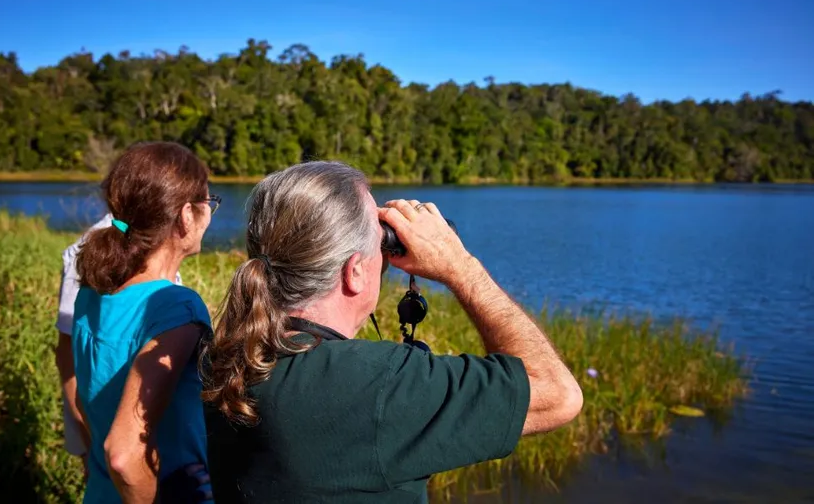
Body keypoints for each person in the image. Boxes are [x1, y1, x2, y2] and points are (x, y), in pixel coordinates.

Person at [200, 161, 583, 503]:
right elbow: (558, 395)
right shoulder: (379, 386)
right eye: (379, 237)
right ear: (355, 271)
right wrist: (460, 267)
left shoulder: (223, 359)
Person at [70, 141, 220, 504]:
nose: (210, 215)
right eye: (208, 203)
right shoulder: (177, 308)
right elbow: (123, 454)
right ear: (186, 216)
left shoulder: (92, 292)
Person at [55, 214, 183, 476]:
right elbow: (68, 355)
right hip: (101, 431)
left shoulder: (154, 241)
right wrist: (89, 436)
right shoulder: (93, 248)